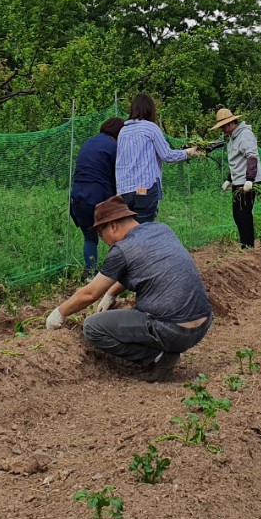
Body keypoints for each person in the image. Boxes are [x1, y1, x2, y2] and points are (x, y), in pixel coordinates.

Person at [44, 195, 212, 381]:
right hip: (202, 325)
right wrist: (110, 294)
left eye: (101, 234)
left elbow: (90, 294)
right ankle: (163, 349)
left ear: (113, 226)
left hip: (174, 330)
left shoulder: (123, 249)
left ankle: (159, 357)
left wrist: (59, 313)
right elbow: (138, 267)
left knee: (92, 327)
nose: (103, 240)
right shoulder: (160, 229)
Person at [114, 93, 201, 223]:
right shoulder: (151, 128)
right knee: (145, 229)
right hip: (144, 189)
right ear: (150, 109)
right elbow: (167, 155)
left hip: (124, 191)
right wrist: (187, 153)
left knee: (129, 231)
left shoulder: (123, 131)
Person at [69, 117, 126, 273]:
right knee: (117, 238)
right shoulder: (114, 146)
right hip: (99, 197)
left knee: (90, 237)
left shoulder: (89, 142)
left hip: (78, 197)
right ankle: (114, 275)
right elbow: (119, 174)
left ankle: (91, 274)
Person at [212, 106, 261, 249]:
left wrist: (250, 179)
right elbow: (237, 161)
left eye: (223, 126)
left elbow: (252, 156)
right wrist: (229, 179)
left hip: (247, 182)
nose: (222, 130)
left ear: (231, 123)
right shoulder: (232, 139)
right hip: (238, 181)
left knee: (243, 214)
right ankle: (245, 244)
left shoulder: (245, 134)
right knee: (238, 215)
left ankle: (248, 246)